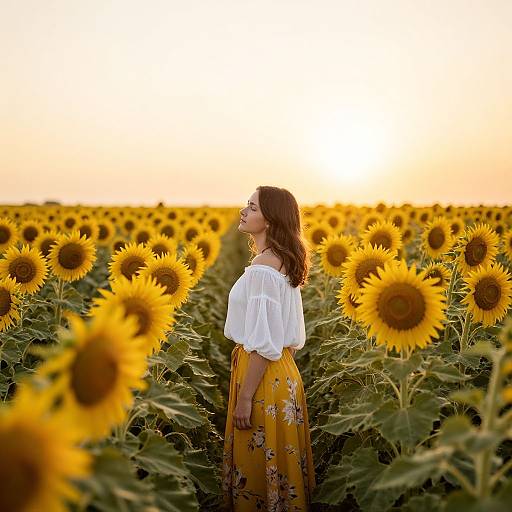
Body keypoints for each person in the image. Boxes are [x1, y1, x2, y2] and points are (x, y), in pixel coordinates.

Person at [221, 185, 316, 511]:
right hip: (283, 373)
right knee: (280, 471)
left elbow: (263, 342)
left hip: (261, 378)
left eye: (252, 207)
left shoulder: (264, 266)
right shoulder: (282, 261)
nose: (243, 211)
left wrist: (245, 397)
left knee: (257, 472)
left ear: (271, 219)